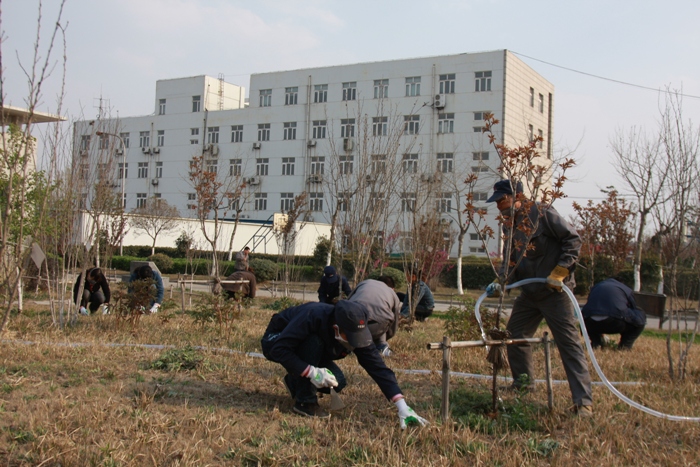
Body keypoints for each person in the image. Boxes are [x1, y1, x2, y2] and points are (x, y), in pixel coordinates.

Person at [485, 179, 593, 416]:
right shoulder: (509, 225)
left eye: (502, 200)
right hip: (530, 293)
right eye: (497, 202)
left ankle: (583, 402)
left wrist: (562, 270)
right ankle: (523, 383)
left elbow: (573, 239)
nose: (499, 206)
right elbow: (511, 260)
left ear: (517, 196)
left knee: (568, 343)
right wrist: (501, 281)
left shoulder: (542, 214)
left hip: (555, 292)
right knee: (515, 334)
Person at [261, 299, 428, 428]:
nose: (356, 341)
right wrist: (311, 372)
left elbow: (377, 367)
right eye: (351, 336)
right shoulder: (312, 315)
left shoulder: (357, 330)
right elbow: (279, 350)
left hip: (305, 351)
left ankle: (295, 380)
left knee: (337, 382)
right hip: (276, 341)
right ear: (336, 328)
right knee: (314, 341)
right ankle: (305, 402)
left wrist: (401, 405)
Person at [581, 278, 646, 350]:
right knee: (640, 315)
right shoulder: (625, 289)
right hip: (616, 322)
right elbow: (633, 307)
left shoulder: (596, 287)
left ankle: (596, 343)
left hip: (590, 323)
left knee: (588, 316)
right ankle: (625, 345)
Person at [347, 276, 401, 356]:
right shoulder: (392, 293)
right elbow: (394, 323)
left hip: (354, 323)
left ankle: (350, 347)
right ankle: (382, 346)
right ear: (392, 288)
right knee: (383, 318)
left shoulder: (364, 283)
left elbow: (347, 303)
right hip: (377, 326)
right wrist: (388, 335)